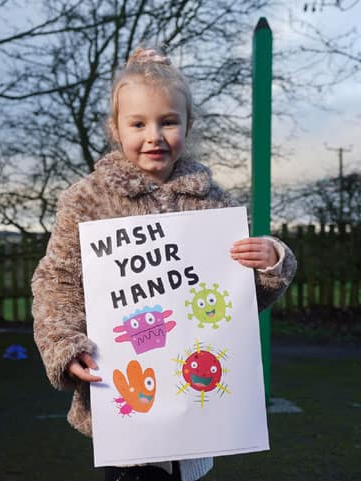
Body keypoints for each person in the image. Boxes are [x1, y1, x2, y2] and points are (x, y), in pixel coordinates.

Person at [31, 47, 297, 481]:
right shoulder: (86, 200)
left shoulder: (214, 202)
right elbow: (57, 282)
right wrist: (64, 344)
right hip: (124, 409)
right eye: (138, 123)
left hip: (199, 408)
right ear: (115, 129)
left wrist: (270, 263)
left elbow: (238, 299)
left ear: (188, 126)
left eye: (168, 121)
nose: (153, 135)